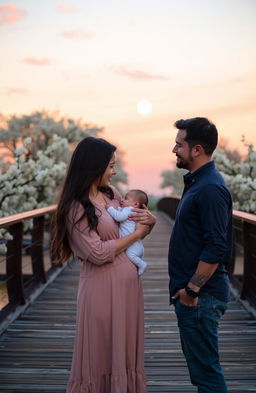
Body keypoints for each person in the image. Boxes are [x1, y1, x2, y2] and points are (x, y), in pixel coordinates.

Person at [51, 136, 156, 393]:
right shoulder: (75, 208)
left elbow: (132, 222)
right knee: (100, 351)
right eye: (110, 166)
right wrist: (138, 235)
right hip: (100, 292)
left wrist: (148, 222)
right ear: (93, 166)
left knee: (125, 350)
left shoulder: (111, 194)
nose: (114, 171)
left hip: (128, 291)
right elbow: (97, 253)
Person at [168, 117, 232, 393]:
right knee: (202, 373)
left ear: (197, 150)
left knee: (207, 375)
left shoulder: (209, 188)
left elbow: (217, 246)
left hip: (200, 298)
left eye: (179, 144)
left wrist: (192, 290)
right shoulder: (198, 183)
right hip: (196, 298)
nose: (174, 149)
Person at [107, 189, 149, 275]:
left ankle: (142, 264)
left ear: (136, 204)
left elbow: (119, 217)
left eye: (126, 198)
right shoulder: (129, 209)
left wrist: (110, 208)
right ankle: (139, 265)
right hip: (136, 244)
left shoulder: (130, 209)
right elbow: (121, 212)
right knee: (133, 258)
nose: (122, 200)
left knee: (131, 255)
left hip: (133, 245)